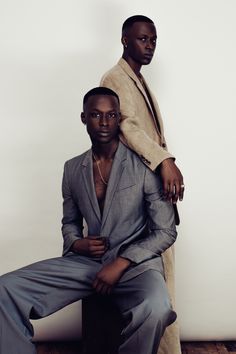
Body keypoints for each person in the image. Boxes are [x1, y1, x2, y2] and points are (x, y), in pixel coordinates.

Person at [0, 87, 177, 354]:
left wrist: (123, 261)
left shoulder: (145, 167)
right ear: (84, 118)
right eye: (96, 115)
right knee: (5, 289)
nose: (104, 122)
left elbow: (165, 231)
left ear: (119, 118)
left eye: (111, 115)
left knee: (158, 308)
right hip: (86, 264)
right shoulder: (72, 168)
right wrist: (76, 243)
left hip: (136, 267)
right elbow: (69, 222)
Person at [100, 15, 184, 353]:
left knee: (163, 272)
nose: (148, 46)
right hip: (136, 192)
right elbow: (128, 126)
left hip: (151, 191)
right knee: (155, 275)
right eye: (142, 39)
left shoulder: (138, 79)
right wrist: (165, 160)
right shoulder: (114, 78)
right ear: (124, 40)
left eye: (152, 40)